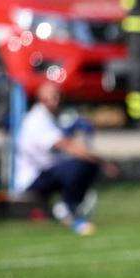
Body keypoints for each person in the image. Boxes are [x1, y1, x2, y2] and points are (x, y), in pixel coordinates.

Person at [16, 83, 119, 235]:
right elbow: (67, 146)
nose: (57, 100)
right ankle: (66, 207)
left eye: (58, 96)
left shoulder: (52, 118)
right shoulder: (37, 120)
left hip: (49, 173)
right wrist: (102, 161)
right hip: (33, 178)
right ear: (41, 98)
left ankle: (70, 206)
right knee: (81, 164)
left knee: (86, 164)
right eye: (52, 96)